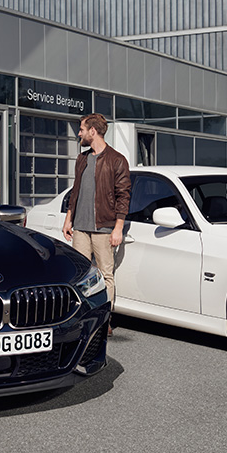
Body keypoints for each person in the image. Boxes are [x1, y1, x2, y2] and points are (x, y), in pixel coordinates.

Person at [62, 114, 131, 336]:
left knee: (105, 276)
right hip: (80, 228)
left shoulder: (117, 159)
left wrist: (118, 228)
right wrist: (68, 218)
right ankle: (81, 318)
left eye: (81, 129)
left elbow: (123, 196)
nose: (79, 133)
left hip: (104, 227)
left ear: (93, 131)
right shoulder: (82, 159)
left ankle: (104, 321)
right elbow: (76, 191)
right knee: (80, 275)